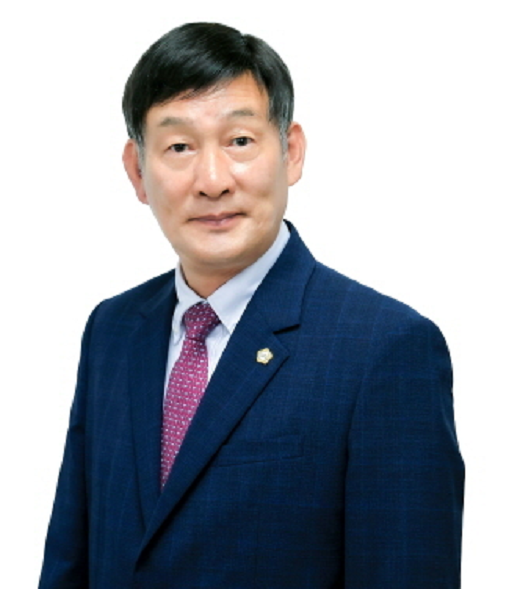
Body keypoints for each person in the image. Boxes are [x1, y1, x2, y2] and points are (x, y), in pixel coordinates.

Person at [38, 22, 464, 589]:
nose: (212, 181)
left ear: (291, 152)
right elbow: (70, 562)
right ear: (138, 171)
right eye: (179, 147)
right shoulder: (112, 330)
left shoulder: (384, 349)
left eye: (239, 141)